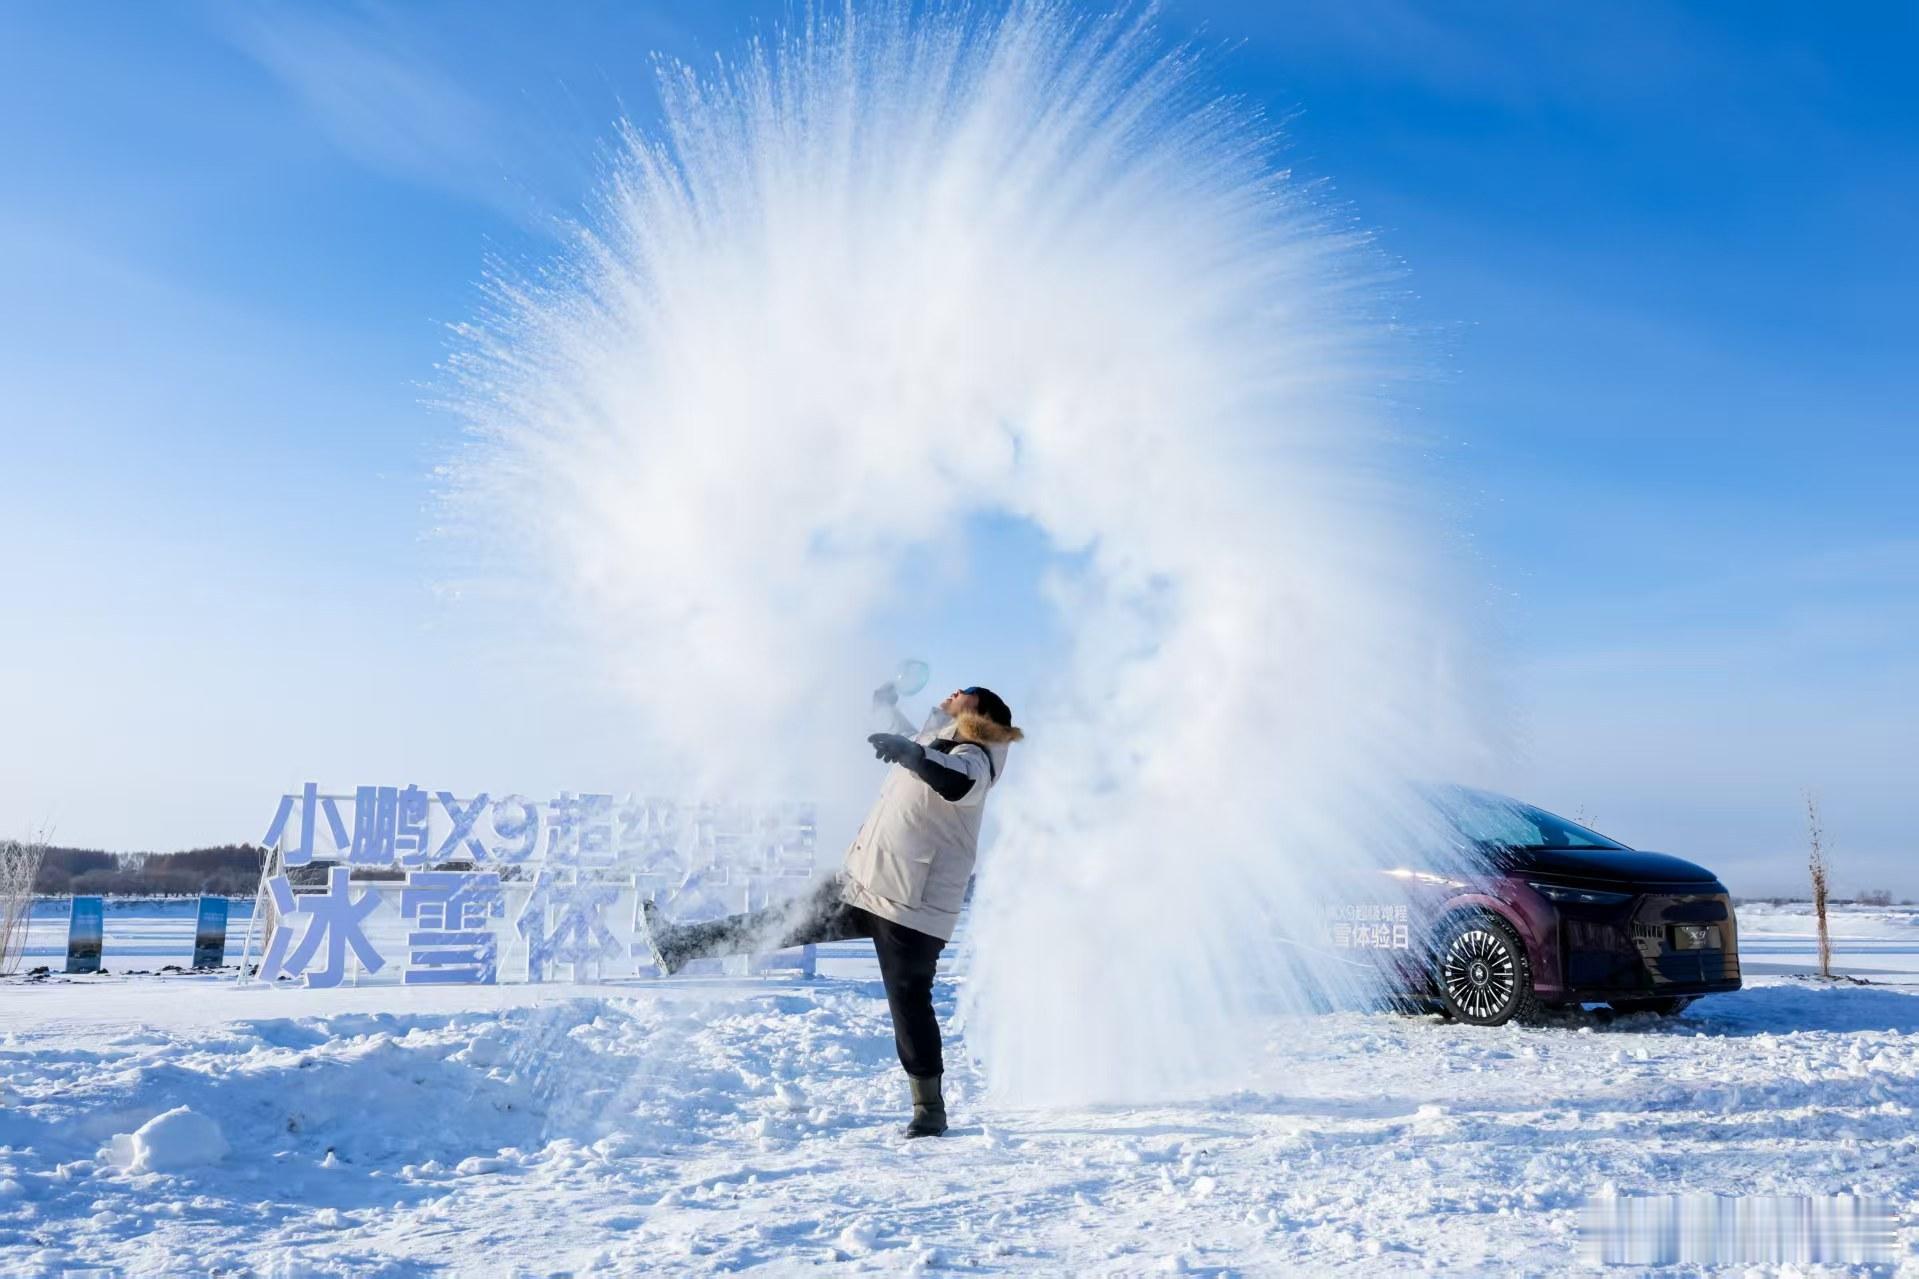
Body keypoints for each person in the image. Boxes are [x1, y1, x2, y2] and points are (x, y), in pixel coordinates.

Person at [638, 685, 1022, 1138]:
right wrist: (887, 709)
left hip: (911, 907)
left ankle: (929, 1109)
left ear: (977, 710)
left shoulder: (977, 757)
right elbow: (912, 744)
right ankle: (681, 945)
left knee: (908, 1004)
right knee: (779, 923)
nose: (952, 693)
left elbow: (952, 780)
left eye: (963, 693)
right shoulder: (936, 739)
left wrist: (910, 753)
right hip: (863, 884)